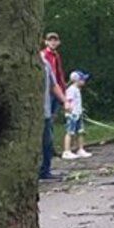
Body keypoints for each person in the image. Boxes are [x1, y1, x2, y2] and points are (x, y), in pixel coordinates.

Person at [39, 53, 63, 181]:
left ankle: (44, 171)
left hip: (45, 111)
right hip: (30, 114)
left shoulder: (45, 63)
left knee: (47, 143)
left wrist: (64, 101)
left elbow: (54, 85)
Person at [62, 70, 92, 159]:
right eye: (83, 79)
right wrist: (70, 112)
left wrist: (80, 110)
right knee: (70, 132)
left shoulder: (77, 90)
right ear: (77, 80)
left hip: (78, 114)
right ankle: (66, 151)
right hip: (72, 115)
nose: (84, 81)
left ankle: (80, 149)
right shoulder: (71, 90)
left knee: (80, 132)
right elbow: (68, 101)